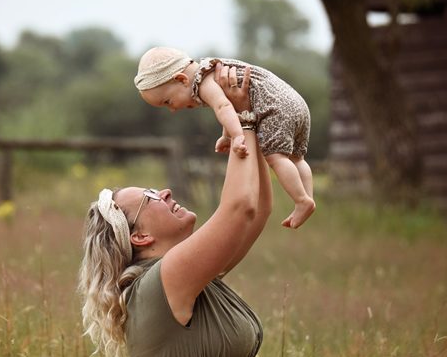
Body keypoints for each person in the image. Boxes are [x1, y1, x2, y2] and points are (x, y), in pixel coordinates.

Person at [80, 65, 447, 357]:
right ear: (141, 239)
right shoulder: (159, 283)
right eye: (150, 197)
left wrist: (258, 123)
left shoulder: (185, 278)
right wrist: (242, 119)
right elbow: (238, 206)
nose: (165, 190)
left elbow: (257, 212)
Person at [134, 46, 315, 229]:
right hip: (296, 103)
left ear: (181, 79)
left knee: (276, 158)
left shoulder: (203, 82)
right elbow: (228, 105)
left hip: (275, 109)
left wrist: (237, 136)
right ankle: (308, 197)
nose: (172, 110)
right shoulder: (209, 71)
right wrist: (226, 136)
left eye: (168, 102)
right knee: (297, 159)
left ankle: (301, 200)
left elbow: (223, 108)